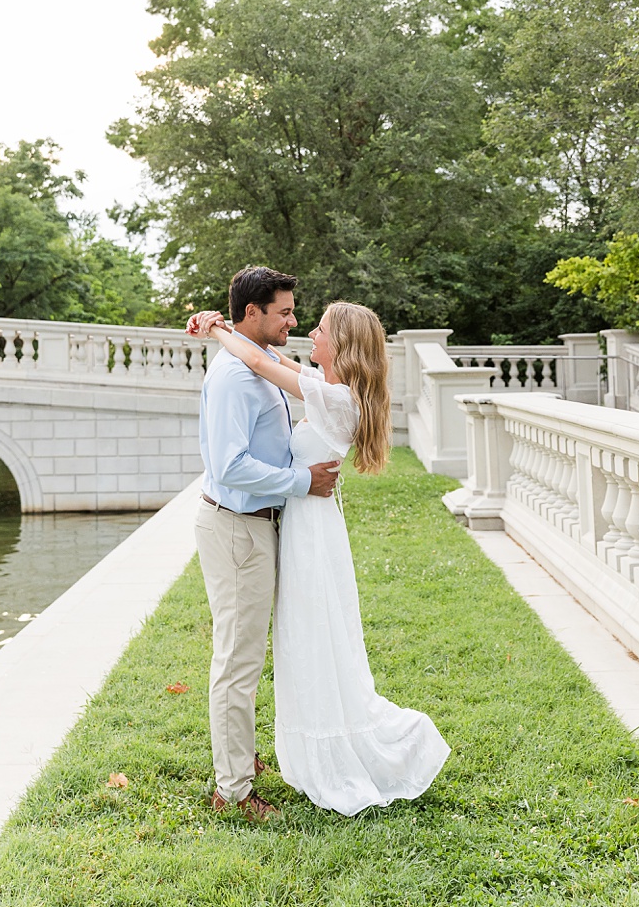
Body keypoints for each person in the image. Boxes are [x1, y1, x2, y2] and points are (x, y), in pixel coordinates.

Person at [188, 292, 451, 818]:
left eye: (324, 329)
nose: (311, 332)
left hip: (308, 528)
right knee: (298, 640)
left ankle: (315, 746)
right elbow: (274, 362)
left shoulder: (335, 398)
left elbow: (264, 362)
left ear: (343, 345)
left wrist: (214, 330)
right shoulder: (332, 388)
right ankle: (260, 756)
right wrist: (222, 331)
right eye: (294, 317)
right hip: (304, 522)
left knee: (308, 639)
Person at [189, 266, 343, 823]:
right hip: (236, 526)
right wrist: (304, 482)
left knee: (249, 655)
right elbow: (228, 465)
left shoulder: (264, 365)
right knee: (237, 661)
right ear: (252, 313)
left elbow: (268, 366)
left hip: (261, 525)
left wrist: (212, 324)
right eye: (284, 311)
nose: (293, 321)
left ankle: (243, 761)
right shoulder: (234, 378)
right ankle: (232, 789)